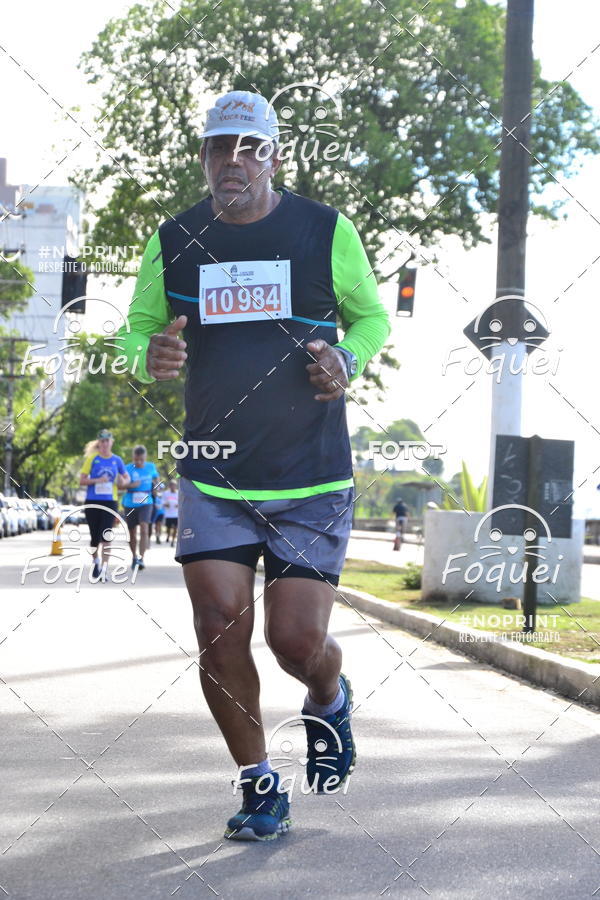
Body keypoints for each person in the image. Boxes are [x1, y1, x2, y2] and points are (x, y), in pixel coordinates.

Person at [118, 90, 391, 841]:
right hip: (216, 476)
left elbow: (371, 317)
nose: (231, 160)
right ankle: (259, 783)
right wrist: (151, 355)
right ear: (203, 157)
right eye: (217, 147)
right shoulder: (171, 239)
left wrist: (348, 357)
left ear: (274, 155)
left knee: (296, 644)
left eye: (247, 145)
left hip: (312, 474)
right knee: (217, 629)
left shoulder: (325, 230)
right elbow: (132, 337)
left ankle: (329, 695)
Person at [79, 430, 130, 580]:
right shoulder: (92, 459)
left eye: (108, 440)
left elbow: (126, 478)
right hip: (92, 501)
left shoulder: (117, 460)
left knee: (106, 536)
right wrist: (97, 480)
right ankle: (96, 562)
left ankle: (104, 570)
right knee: (95, 537)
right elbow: (82, 480)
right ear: (99, 443)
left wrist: (123, 482)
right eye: (102, 441)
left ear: (111, 442)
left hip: (110, 501)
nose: (105, 443)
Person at [162, 479, 179, 547]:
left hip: (176, 514)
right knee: (168, 528)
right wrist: (166, 504)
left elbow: (181, 501)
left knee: (175, 527)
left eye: (174, 485)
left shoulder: (178, 493)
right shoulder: (166, 493)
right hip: (168, 514)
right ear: (169, 486)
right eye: (171, 485)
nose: (173, 487)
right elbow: (162, 501)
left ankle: (173, 540)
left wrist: (178, 505)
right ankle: (168, 535)